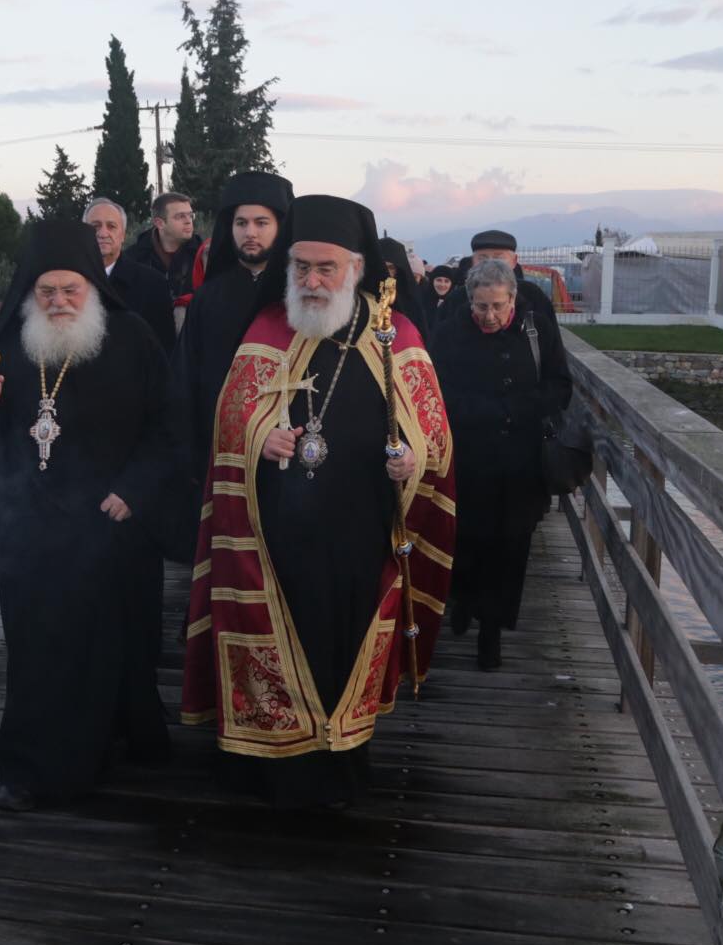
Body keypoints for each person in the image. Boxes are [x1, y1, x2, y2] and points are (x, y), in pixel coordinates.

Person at [182, 195, 455, 809]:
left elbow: (433, 432)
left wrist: (411, 458)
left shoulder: (395, 334)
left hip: (360, 529)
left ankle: (342, 762)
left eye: (325, 268)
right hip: (278, 531)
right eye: (301, 266)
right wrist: (261, 436)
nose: (310, 281)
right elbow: (231, 421)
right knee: (278, 637)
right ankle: (265, 766)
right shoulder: (268, 326)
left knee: (347, 641)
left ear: (355, 267)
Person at [0, 221, 174, 812]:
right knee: (33, 650)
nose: (58, 301)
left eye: (70, 289)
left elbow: (168, 426)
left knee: (97, 649)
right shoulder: (10, 342)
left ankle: (94, 754)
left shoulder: (132, 338)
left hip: (104, 525)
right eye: (46, 291)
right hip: (29, 527)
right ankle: (27, 770)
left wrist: (135, 488)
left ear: (92, 286)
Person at [429, 256, 571, 670]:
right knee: (467, 540)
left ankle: (491, 631)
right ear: (469, 300)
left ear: (512, 299)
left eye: (497, 306)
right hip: (467, 458)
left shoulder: (536, 329)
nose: (489, 316)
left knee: (511, 546)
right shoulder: (450, 332)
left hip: (520, 462)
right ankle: (463, 600)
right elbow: (434, 390)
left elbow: (560, 386)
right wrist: (486, 412)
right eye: (481, 306)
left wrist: (517, 409)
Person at [163, 170, 293, 561]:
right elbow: (185, 382)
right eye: (241, 223)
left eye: (261, 223)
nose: (250, 233)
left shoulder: (301, 295)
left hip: (290, 457)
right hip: (222, 457)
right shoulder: (209, 298)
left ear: (281, 227)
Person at [85, 197, 178, 355]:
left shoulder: (153, 284)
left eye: (111, 226)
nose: (103, 233)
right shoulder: (67, 283)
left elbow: (164, 349)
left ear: (123, 235)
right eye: (95, 226)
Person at [438, 228, 548, 324]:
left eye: (498, 258)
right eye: (483, 258)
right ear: (473, 261)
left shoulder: (532, 295)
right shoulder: (456, 299)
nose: (490, 265)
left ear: (514, 261)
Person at [121, 191, 202, 308]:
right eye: (180, 216)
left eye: (190, 215)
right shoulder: (132, 258)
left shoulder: (203, 255)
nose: (188, 221)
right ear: (159, 223)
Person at [376, 234, 432, 338]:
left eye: (391, 268)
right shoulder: (365, 297)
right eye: (383, 266)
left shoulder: (410, 301)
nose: (386, 272)